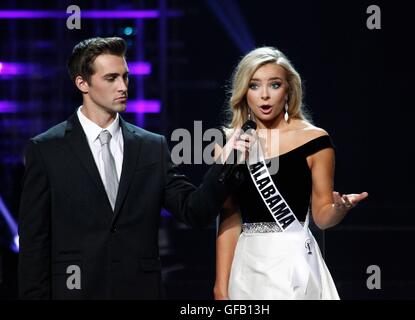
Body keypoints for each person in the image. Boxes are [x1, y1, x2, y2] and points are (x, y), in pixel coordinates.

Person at [18, 37, 247, 299]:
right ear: (82, 83)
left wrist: (225, 165)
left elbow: (194, 211)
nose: (123, 86)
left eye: (125, 77)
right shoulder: (47, 149)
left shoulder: (151, 147)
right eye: (111, 78)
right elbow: (34, 242)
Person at [213, 47, 369, 300]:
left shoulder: (315, 140)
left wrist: (339, 208)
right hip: (246, 268)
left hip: (294, 263)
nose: (264, 95)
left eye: (274, 85)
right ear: (244, 92)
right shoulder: (229, 142)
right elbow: (228, 218)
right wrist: (220, 287)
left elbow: (322, 217)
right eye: (254, 86)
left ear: (289, 90)